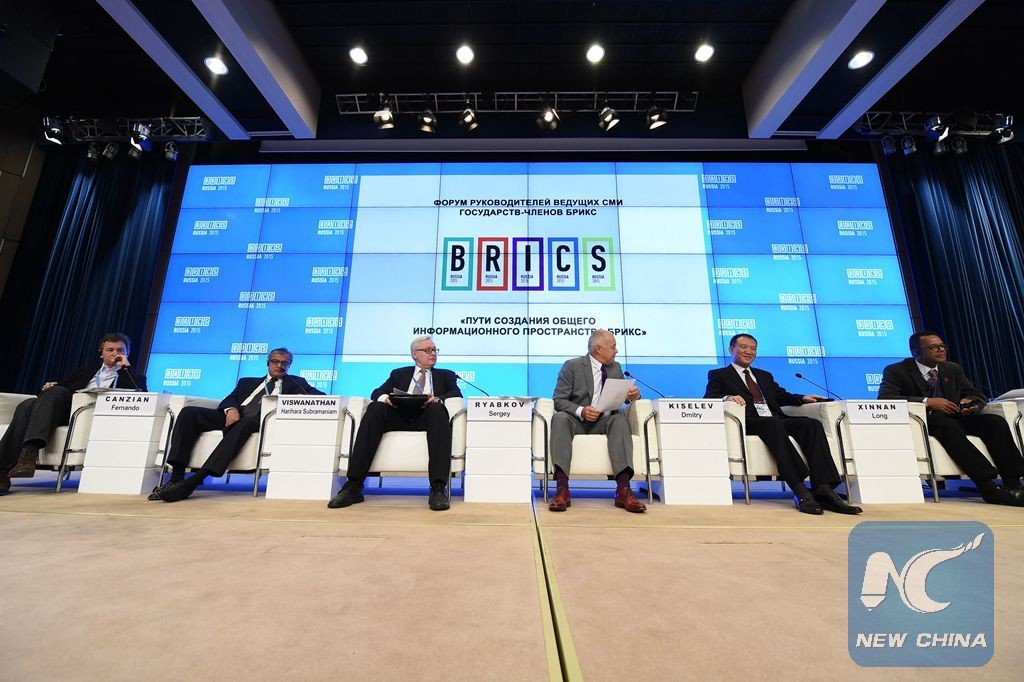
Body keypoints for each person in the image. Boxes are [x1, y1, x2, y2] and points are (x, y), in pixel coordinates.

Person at [704, 333, 862, 515]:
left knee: (811, 425)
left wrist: (802, 398)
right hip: (751, 422)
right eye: (744, 347)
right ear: (732, 350)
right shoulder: (719, 375)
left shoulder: (764, 375)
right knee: (772, 424)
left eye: (753, 348)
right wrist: (728, 397)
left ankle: (824, 489)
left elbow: (780, 396)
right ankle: (800, 490)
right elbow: (709, 397)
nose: (749, 351)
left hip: (775, 419)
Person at [152, 347, 322, 502]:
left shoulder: (296, 383)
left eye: (285, 363)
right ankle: (176, 477)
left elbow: (320, 397)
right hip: (235, 415)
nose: (280, 366)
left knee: (245, 424)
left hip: (259, 420)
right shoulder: (246, 382)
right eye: (275, 362)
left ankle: (194, 481)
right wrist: (231, 409)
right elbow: (229, 398)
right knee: (189, 413)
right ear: (267, 363)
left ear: (290, 365)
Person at [877, 331, 1024, 506]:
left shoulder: (952, 368)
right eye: (933, 347)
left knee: (994, 422)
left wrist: (971, 403)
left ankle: (1014, 482)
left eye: (942, 346)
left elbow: (975, 394)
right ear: (915, 352)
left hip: (956, 416)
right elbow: (886, 397)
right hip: (926, 421)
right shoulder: (897, 370)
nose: (940, 350)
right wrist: (928, 401)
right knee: (947, 425)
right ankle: (988, 486)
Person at [0, 333, 145, 495]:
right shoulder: (83, 372)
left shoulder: (130, 374)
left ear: (127, 353)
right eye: (109, 350)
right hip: (61, 410)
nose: (114, 354)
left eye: (120, 350)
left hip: (85, 415)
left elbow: (141, 393)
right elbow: (61, 389)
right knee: (28, 404)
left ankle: (14, 463)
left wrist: (126, 367)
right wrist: (50, 387)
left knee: (38, 401)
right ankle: (21, 459)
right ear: (101, 352)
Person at [328, 335, 462, 511]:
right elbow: (377, 391)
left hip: (428, 416)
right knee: (375, 408)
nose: (433, 354)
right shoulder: (399, 373)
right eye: (428, 350)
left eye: (435, 350)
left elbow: (455, 394)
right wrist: (385, 398)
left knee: (437, 409)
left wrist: (436, 398)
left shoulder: (446, 375)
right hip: (398, 414)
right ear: (414, 354)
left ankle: (437, 488)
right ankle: (353, 485)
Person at [548, 329, 646, 513]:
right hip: (576, 422)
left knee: (619, 420)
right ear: (599, 349)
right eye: (613, 347)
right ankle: (562, 490)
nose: (616, 351)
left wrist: (633, 395)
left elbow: (621, 396)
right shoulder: (572, 366)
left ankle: (624, 491)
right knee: (560, 418)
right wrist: (581, 411)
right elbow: (558, 400)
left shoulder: (615, 368)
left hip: (604, 422)